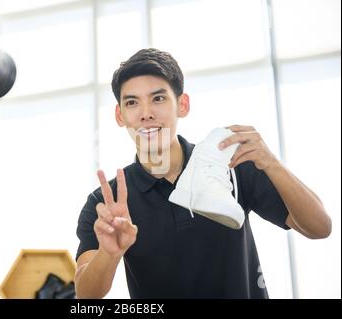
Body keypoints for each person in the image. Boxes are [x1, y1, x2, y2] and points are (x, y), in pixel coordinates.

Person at [74, 48, 332, 299]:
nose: (146, 114)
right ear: (120, 115)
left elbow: (320, 227)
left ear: (182, 105)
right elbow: (85, 295)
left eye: (158, 98)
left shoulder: (229, 165)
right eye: (132, 103)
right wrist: (109, 254)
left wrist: (271, 163)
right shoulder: (105, 202)